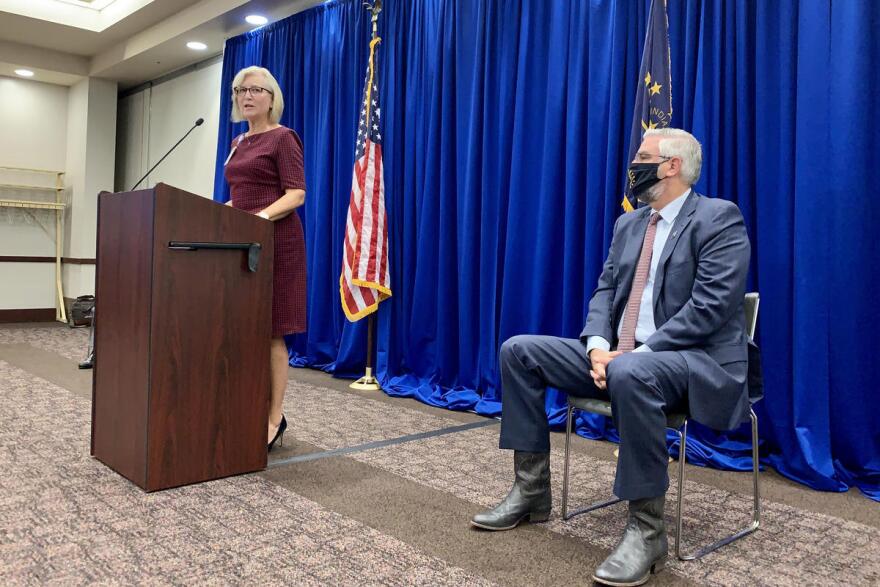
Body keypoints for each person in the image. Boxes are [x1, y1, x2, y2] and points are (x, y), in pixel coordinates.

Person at [471, 128, 759, 586]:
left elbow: (710, 309)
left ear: (672, 166)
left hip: (694, 362)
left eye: (642, 156)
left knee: (632, 369)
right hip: (622, 360)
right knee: (519, 351)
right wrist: (598, 346)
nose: (633, 164)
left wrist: (635, 354)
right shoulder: (630, 224)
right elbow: (606, 292)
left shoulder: (718, 219)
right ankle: (531, 492)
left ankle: (647, 531)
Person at [224, 66, 307, 451]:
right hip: (241, 243)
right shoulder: (239, 141)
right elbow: (240, 195)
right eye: (241, 89)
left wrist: (259, 218)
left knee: (271, 332)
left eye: (256, 89)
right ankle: (245, 405)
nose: (247, 95)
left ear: (272, 97)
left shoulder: (283, 138)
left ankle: (274, 418)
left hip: (277, 243)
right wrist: (217, 217)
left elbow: (295, 195)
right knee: (242, 330)